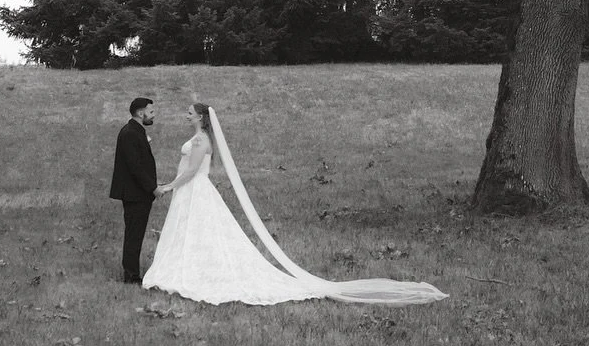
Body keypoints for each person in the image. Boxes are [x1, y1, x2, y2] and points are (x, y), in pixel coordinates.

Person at [143, 100, 447, 307]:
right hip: (193, 191)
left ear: (200, 117)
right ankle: (190, 267)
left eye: (189, 113)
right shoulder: (199, 139)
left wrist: (169, 186)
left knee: (199, 232)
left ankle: (193, 272)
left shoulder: (199, 141)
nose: (186, 116)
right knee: (195, 234)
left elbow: (193, 170)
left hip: (194, 190)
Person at [109, 94, 158, 284]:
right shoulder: (130, 132)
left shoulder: (135, 131)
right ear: (140, 112)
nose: (153, 115)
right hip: (135, 194)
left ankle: (132, 272)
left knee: (135, 234)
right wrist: (153, 188)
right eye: (151, 112)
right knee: (134, 235)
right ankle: (131, 276)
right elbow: (135, 167)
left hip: (138, 193)